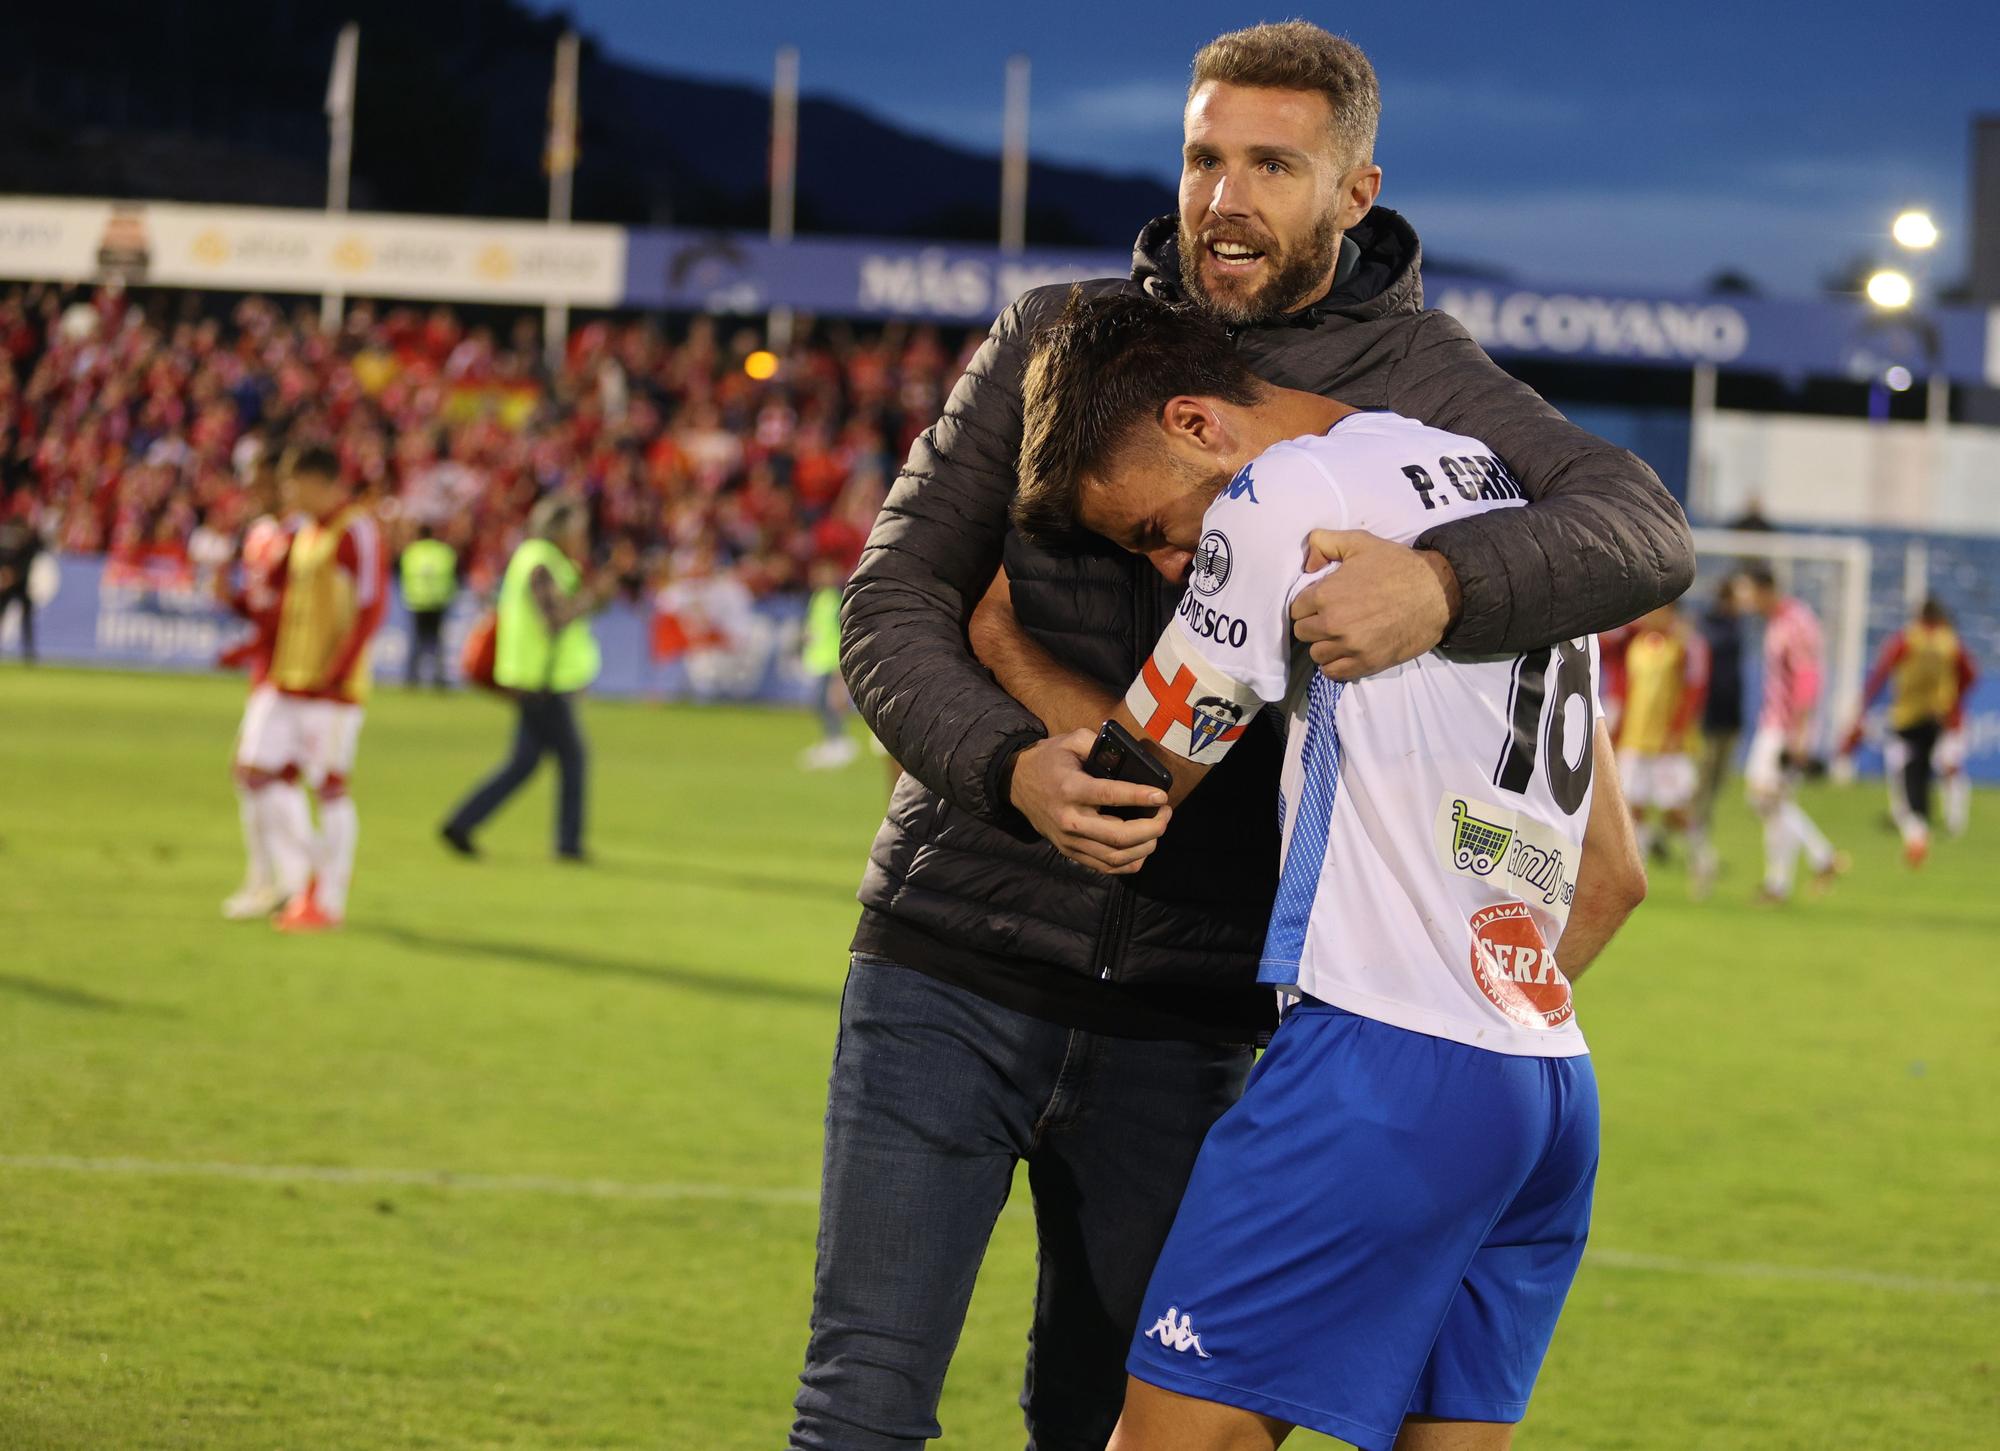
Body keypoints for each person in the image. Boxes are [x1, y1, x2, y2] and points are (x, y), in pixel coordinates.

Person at [809, 22, 1693, 1448]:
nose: (1224, 197)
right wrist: (995, 758)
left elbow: (1648, 529)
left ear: (1354, 192)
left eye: (1272, 165)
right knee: (860, 1404)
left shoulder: (1406, 403)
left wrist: (1444, 586)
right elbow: (892, 599)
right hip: (960, 956)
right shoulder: (1056, 334)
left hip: (1207, 1009)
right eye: (1204, 157)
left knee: (1116, 1413)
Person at [1011, 286, 1646, 1451]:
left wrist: (999, 635)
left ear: (1198, 423)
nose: (1166, 563)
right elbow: (1615, 876)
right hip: (1543, 1083)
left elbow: (1134, 777)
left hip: (1377, 1059)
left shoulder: (1286, 492)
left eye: (1154, 528)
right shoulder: (1511, 503)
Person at [238, 445, 388, 933]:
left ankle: (329, 900)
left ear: (319, 481)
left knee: (329, 786)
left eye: (293, 483)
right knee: (256, 771)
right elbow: (280, 604)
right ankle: (305, 875)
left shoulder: (357, 531)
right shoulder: (301, 532)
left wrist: (340, 670)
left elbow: (370, 607)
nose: (288, 493)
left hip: (334, 689)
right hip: (289, 679)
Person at [440, 497, 602, 861]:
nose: (581, 539)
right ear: (561, 532)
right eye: (577, 531)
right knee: (573, 759)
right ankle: (568, 845)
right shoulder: (541, 563)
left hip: (537, 680)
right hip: (540, 683)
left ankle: (461, 824)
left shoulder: (542, 561)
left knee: (524, 764)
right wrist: (593, 596)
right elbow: (555, 619)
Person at [1841, 597, 1978, 866]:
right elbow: (1971, 674)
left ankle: (1915, 824)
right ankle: (1942, 819)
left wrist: (1861, 711)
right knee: (1938, 767)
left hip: (1908, 718)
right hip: (1940, 717)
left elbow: (1879, 674)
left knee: (1906, 768)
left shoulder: (1906, 640)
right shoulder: (1949, 642)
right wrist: (1954, 699)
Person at [218, 455, 297, 921]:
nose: (253, 488)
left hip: (287, 675)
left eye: (261, 479)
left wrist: (248, 647)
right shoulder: (262, 536)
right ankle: (284, 879)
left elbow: (290, 617)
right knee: (268, 776)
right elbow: (262, 607)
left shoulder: (301, 538)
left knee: (253, 772)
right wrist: (232, 600)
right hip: (266, 670)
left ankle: (273, 880)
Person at [1737, 564, 1844, 902]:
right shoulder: (1780, 621)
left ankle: (1819, 857)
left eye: (1747, 591)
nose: (1744, 599)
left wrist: (1799, 734)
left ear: (1763, 590)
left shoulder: (1794, 623)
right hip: (1776, 723)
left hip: (1785, 728)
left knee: (1763, 796)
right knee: (1773, 803)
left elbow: (1807, 679)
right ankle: (1784, 880)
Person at [1616, 601, 1707, 866]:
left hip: (1666, 742)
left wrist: (1677, 730)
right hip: (1635, 738)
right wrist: (1618, 732)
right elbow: (1626, 692)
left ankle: (1702, 859)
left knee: (1675, 809)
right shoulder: (1636, 646)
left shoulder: (1682, 646)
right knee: (1633, 804)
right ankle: (1638, 865)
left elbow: (1693, 691)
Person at [1689, 581, 1746, 898]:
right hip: (1707, 722)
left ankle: (1697, 845)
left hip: (1729, 719)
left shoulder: (1734, 627)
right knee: (1699, 791)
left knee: (1713, 788)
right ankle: (1699, 855)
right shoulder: (1709, 628)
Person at [798, 555, 858, 770]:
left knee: (829, 704)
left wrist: (840, 668)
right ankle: (831, 742)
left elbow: (842, 633)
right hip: (818, 661)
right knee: (821, 704)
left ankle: (838, 743)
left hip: (831, 662)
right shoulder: (819, 597)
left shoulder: (835, 599)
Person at [398, 522, 458, 688]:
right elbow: (453, 572)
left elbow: (402, 573)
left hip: (416, 601)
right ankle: (439, 678)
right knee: (437, 642)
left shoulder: (411, 552)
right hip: (438, 601)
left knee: (416, 641)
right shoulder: (443, 552)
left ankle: (411, 678)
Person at [0, 492, 43, 662]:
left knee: (26, 616)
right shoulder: (7, 540)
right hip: (8, 585)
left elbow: (28, 562)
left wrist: (13, 575)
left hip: (21, 584)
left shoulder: (29, 542)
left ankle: (29, 651)